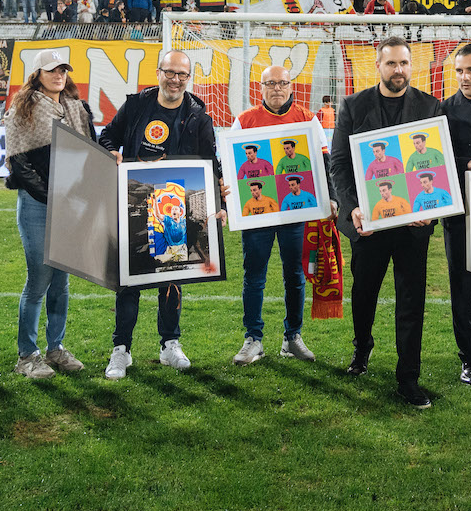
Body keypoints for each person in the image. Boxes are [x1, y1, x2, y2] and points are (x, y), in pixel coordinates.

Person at [329, 36, 444, 408]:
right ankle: (362, 349)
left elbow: (438, 165)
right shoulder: (353, 105)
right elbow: (340, 164)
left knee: (412, 299)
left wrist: (429, 207)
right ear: (377, 66)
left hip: (413, 226)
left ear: (412, 66)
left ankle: (408, 377)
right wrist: (351, 209)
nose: (398, 70)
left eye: (404, 63)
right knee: (364, 293)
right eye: (391, 63)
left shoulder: (430, 106)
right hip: (369, 223)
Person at [98, 50, 227, 379]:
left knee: (172, 277)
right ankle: (121, 350)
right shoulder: (137, 104)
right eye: (170, 72)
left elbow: (210, 160)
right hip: (135, 202)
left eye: (182, 75)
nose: (175, 79)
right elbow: (108, 135)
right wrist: (112, 151)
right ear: (158, 73)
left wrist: (220, 201)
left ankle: (170, 344)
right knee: (129, 280)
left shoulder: (197, 113)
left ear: (188, 78)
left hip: (176, 205)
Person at [4, 50, 95, 379]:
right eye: (52, 70)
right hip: (37, 203)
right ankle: (27, 355)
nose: (59, 75)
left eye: (63, 70)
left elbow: (91, 152)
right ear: (37, 74)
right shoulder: (24, 108)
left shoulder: (77, 108)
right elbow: (19, 163)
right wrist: (52, 195)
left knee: (61, 281)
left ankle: (55, 348)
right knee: (40, 278)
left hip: (70, 203)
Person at [229, 65, 325, 365]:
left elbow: (322, 161)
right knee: (254, 276)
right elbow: (229, 166)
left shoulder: (308, 119)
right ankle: (253, 339)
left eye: (282, 83)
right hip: (257, 214)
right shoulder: (244, 121)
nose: (277, 89)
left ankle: (292, 337)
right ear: (261, 87)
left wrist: (329, 199)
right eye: (270, 83)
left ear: (290, 85)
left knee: (295, 275)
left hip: (295, 213)